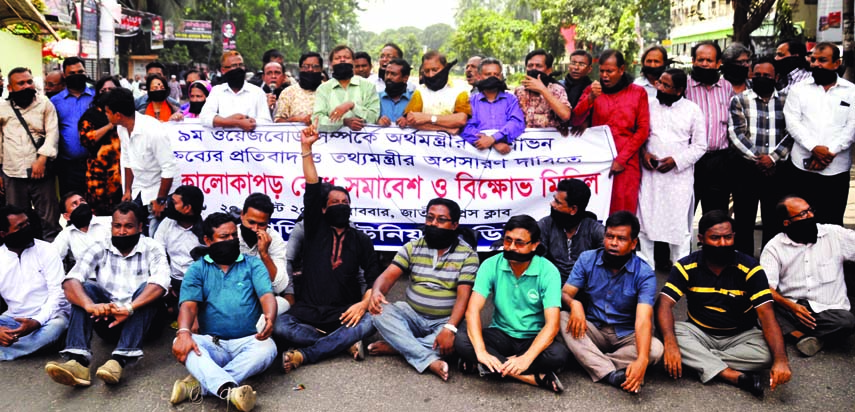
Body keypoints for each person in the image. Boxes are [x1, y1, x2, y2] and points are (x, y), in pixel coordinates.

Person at [275, 121, 379, 372]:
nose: (341, 205)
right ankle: (342, 345)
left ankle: (307, 354)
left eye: (345, 202)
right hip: (308, 311)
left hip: (345, 313)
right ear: (323, 209)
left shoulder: (361, 239)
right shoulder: (314, 229)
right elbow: (312, 186)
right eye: (335, 202)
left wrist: (363, 305)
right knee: (279, 326)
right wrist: (306, 148)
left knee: (374, 321)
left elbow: (376, 281)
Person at [655, 210, 791, 396]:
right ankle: (732, 375)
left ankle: (697, 361)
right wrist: (671, 344)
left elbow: (766, 315)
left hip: (741, 334)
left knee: (770, 354)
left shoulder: (750, 268)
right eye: (715, 238)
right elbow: (664, 304)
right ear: (701, 239)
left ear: (734, 236)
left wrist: (781, 360)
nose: (722, 243)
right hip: (699, 332)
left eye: (728, 237)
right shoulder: (686, 266)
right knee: (668, 333)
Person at [45, 202, 170, 387]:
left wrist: (128, 308)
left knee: (149, 289)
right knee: (85, 287)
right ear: (111, 226)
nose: (121, 231)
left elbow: (161, 283)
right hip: (109, 322)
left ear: (140, 227)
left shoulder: (153, 247)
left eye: (128, 226)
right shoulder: (99, 246)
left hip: (145, 324)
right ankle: (78, 361)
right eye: (117, 226)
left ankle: (119, 360)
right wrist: (90, 305)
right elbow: (71, 282)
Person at [169, 212, 278, 412]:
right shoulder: (197, 269)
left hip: (249, 340)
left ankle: (199, 386)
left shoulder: (252, 264)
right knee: (180, 341)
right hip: (213, 342)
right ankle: (230, 390)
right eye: (223, 237)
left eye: (233, 236)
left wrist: (269, 317)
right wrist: (184, 331)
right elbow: (188, 305)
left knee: (268, 348)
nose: (230, 240)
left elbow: (266, 296)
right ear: (207, 240)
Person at [454, 215, 569, 393]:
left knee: (559, 355)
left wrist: (526, 358)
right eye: (508, 240)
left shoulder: (548, 271)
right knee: (462, 339)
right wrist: (481, 351)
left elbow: (552, 325)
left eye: (520, 243)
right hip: (501, 334)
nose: (512, 247)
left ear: (535, 245)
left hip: (532, 337)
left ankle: (486, 366)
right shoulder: (491, 264)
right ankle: (532, 378)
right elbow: (473, 311)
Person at [367, 198, 479, 381]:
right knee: (378, 311)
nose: (434, 223)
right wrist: (377, 291)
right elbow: (387, 276)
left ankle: (398, 346)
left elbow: (463, 297)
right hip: (413, 314)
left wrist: (450, 328)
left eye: (441, 220)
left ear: (454, 225)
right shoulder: (413, 247)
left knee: (459, 339)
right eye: (430, 218)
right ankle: (427, 359)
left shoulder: (468, 255)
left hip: (446, 320)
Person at [560, 211, 662, 393]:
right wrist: (575, 304)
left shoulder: (644, 274)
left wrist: (642, 361)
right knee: (562, 317)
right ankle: (611, 372)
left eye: (621, 239)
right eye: (609, 236)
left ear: (633, 244)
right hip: (593, 329)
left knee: (655, 350)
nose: (613, 243)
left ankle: (590, 361)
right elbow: (566, 293)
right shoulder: (587, 259)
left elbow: (643, 320)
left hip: (626, 335)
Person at [759, 196, 855, 357]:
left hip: (828, 312)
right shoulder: (774, 247)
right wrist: (792, 307)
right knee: (757, 305)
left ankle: (794, 333)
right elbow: (765, 288)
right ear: (786, 222)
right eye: (803, 214)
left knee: (846, 322)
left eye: (810, 210)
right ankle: (802, 336)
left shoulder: (834, 234)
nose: (810, 216)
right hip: (790, 308)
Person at [638, 68, 707, 267]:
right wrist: (644, 153)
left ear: (679, 90)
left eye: (666, 85)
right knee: (645, 223)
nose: (659, 87)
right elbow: (640, 135)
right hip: (650, 176)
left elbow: (701, 145)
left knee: (679, 228)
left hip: (679, 178)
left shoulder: (692, 110)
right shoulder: (649, 106)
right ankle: (646, 272)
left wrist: (676, 161)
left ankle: (681, 273)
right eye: (659, 82)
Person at [783, 42, 855, 227]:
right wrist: (814, 148)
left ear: (836, 63)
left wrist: (829, 152)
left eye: (822, 60)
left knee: (832, 223)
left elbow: (851, 127)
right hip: (802, 166)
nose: (816, 64)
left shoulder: (851, 91)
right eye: (813, 59)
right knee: (801, 221)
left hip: (836, 167)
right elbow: (792, 122)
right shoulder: (799, 89)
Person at [571, 49, 649, 215]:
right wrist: (590, 98)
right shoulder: (593, 89)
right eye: (602, 71)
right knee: (595, 209)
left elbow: (643, 130)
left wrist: (621, 159)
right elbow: (575, 120)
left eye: (610, 71)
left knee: (623, 211)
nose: (605, 76)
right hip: (597, 161)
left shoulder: (637, 93)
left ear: (621, 70)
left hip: (627, 162)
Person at [728, 57, 792, 254]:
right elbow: (736, 134)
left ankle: (769, 262)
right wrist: (760, 159)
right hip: (747, 169)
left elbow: (792, 133)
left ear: (776, 77)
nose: (761, 78)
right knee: (744, 219)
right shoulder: (739, 100)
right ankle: (744, 264)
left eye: (767, 76)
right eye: (757, 75)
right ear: (751, 75)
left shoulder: (787, 101)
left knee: (773, 220)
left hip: (777, 169)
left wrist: (772, 158)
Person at [104, 88, 178, 235]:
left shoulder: (153, 131)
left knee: (157, 237)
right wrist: (127, 190)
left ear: (117, 115)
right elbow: (127, 160)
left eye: (107, 112)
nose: (106, 116)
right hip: (139, 189)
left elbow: (169, 168)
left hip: (161, 191)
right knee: (136, 233)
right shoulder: (122, 128)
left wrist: (161, 200)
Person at [0, 205, 69, 360]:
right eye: (20, 226)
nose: (27, 228)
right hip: (13, 319)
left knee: (55, 329)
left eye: (27, 223)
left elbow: (58, 294)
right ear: (4, 234)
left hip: (49, 318)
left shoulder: (47, 250)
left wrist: (36, 322)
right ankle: (34, 346)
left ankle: (10, 347)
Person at [1, 67, 62, 241]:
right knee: (17, 222)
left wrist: (42, 158)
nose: (27, 86)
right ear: (10, 88)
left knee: (50, 222)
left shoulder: (44, 104)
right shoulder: (2, 108)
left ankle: (53, 257)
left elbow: (52, 133)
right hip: (12, 174)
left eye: (29, 82)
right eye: (21, 83)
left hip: (41, 173)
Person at [684, 41, 735, 216]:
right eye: (700, 60)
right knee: (684, 213)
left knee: (716, 214)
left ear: (718, 63)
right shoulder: (684, 86)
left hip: (719, 162)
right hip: (690, 161)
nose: (705, 64)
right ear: (693, 61)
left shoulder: (726, 87)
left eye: (709, 60)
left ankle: (710, 244)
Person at [537, 178, 604, 286]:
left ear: (573, 209)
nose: (552, 204)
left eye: (558, 202)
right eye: (554, 199)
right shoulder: (545, 225)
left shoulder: (595, 230)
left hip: (587, 290)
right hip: (551, 287)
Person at [153, 185, 205, 317]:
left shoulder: (205, 228)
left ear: (187, 208)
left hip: (197, 283)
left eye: (174, 203)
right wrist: (166, 283)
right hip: (172, 280)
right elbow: (158, 254)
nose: (168, 206)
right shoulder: (167, 223)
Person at [77, 75, 123, 216]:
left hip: (122, 173)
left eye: (111, 89)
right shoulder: (90, 115)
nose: (107, 92)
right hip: (98, 175)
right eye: (104, 90)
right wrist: (110, 125)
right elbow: (86, 139)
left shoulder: (126, 113)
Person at [237, 193, 290, 313]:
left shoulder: (274, 239)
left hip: (261, 298)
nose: (255, 229)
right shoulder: (230, 235)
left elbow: (279, 287)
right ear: (242, 215)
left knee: (282, 304)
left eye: (261, 224)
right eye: (251, 222)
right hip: (232, 295)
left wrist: (264, 254)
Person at [461, 58, 525, 154]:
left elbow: (516, 123)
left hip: (507, 157)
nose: (493, 78)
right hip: (479, 158)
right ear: (479, 77)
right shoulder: (471, 101)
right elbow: (466, 128)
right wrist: (494, 143)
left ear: (501, 76)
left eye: (496, 74)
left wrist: (493, 138)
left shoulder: (511, 100)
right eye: (488, 74)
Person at [51, 57, 93, 198]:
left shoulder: (96, 96)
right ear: (64, 75)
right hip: (68, 167)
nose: (77, 75)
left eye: (80, 71)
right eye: (72, 73)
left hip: (96, 164)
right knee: (71, 204)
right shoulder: (55, 101)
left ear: (85, 72)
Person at [400, 51, 471, 134]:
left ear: (445, 67)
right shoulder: (420, 91)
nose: (431, 75)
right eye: (426, 71)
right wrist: (446, 129)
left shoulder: (460, 91)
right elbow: (411, 120)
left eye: (435, 70)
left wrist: (428, 118)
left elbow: (461, 120)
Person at [199, 51, 272, 132]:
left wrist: (247, 121)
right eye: (234, 66)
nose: (239, 69)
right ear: (223, 70)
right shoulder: (217, 91)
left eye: (241, 65)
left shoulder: (257, 92)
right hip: (222, 142)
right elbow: (205, 117)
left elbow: (266, 121)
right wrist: (235, 122)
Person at [312, 45, 379, 132]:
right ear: (331, 64)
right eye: (337, 58)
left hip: (363, 142)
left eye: (346, 57)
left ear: (353, 62)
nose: (342, 60)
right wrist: (343, 122)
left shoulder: (368, 86)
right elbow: (316, 120)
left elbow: (374, 117)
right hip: (331, 144)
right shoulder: (323, 89)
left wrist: (352, 106)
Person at [52, 192, 111, 271]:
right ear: (66, 216)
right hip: (86, 280)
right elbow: (52, 258)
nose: (81, 205)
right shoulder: (66, 234)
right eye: (74, 204)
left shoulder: (109, 223)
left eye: (82, 201)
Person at [514, 49, 571, 130]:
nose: (534, 69)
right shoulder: (519, 91)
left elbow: (565, 116)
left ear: (548, 70)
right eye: (530, 66)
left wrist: (542, 90)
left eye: (538, 66)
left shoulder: (557, 89)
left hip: (551, 140)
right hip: (524, 139)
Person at [275, 52, 324, 124]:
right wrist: (295, 119)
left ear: (321, 69)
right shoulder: (288, 92)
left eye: (315, 66)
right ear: (300, 68)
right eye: (306, 66)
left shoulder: (330, 91)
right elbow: (278, 121)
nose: (310, 69)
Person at [377, 58, 413, 127]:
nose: (388, 77)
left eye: (393, 74)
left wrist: (408, 122)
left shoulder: (414, 98)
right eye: (387, 73)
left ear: (405, 78)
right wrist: (377, 120)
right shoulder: (376, 98)